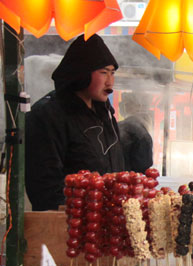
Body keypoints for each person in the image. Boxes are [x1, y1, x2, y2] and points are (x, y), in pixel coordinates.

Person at [25, 34, 125, 211]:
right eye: (103, 73)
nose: (110, 81)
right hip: (68, 226)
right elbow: (44, 187)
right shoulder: (48, 115)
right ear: (82, 73)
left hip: (106, 221)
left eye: (112, 73)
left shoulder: (105, 113)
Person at [118, 92, 153, 173]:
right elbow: (144, 166)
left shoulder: (117, 126)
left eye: (125, 104)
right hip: (131, 181)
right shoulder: (142, 134)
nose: (122, 106)